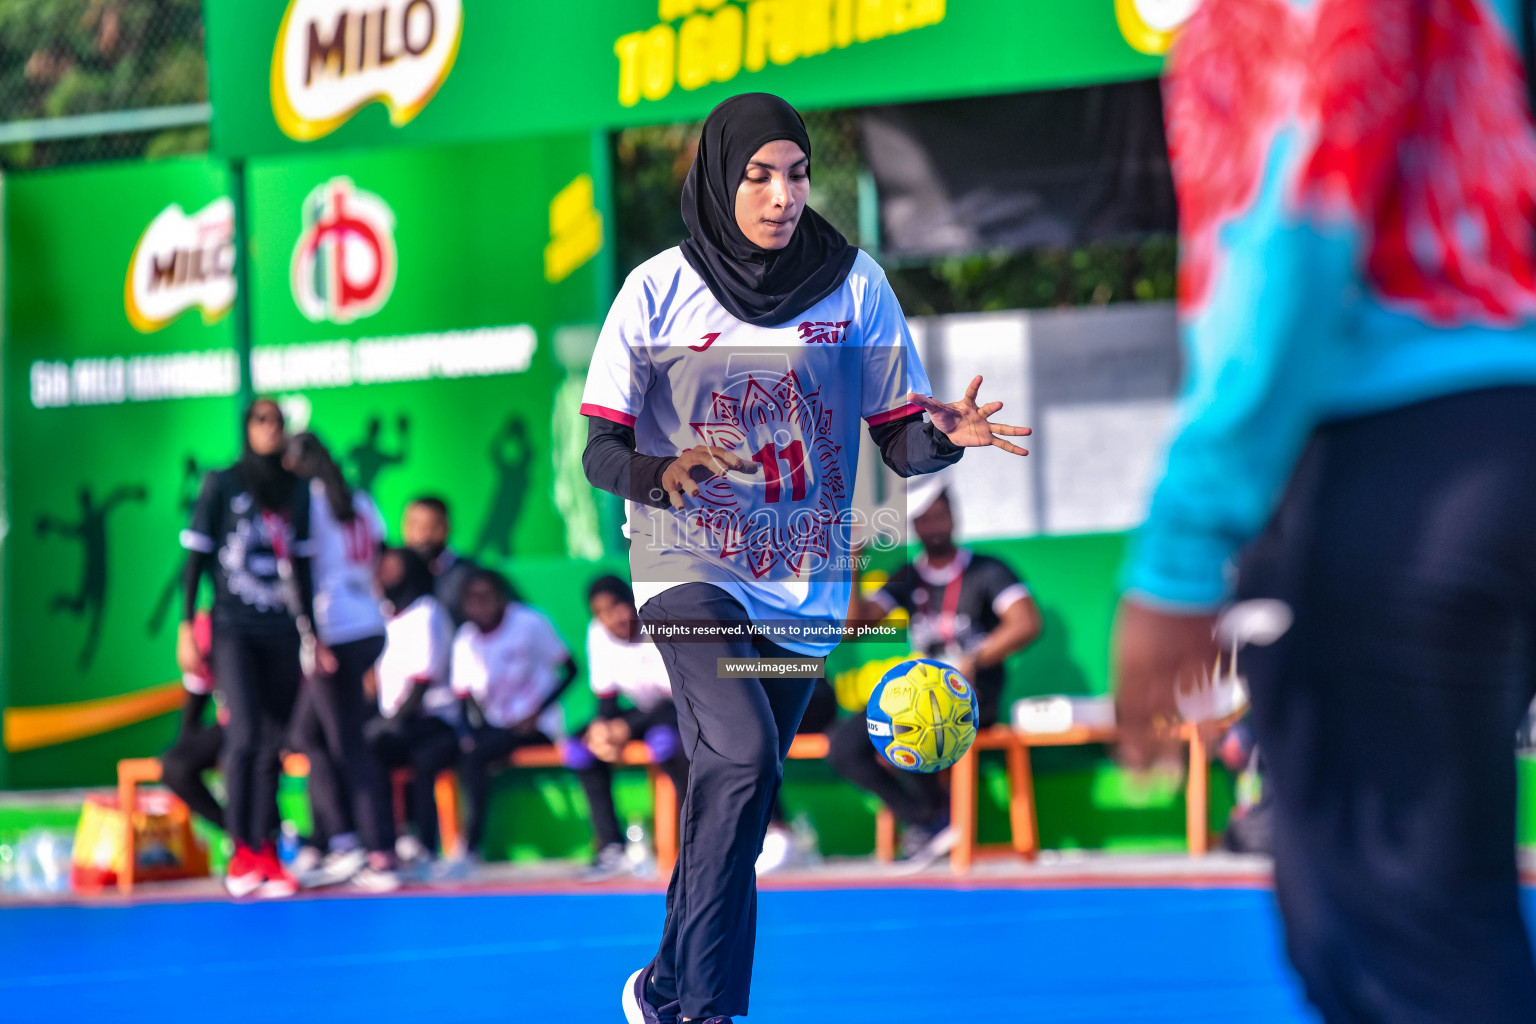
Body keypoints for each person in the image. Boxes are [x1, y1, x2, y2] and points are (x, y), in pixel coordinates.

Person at [1113, 3, 1536, 1021]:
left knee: (1392, 953)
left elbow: (1306, 216)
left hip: (1388, 461)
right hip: (1488, 431)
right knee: (1430, 919)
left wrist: (1182, 547)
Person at [581, 93, 1028, 1024]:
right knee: (739, 759)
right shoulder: (656, 290)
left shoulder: (854, 284)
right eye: (759, 176)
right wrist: (665, 473)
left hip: (802, 590)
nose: (782, 195)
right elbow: (603, 451)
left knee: (737, 793)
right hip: (686, 566)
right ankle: (703, 1009)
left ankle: (663, 984)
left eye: (796, 174)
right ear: (719, 178)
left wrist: (947, 438)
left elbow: (900, 435)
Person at [832, 477, 1041, 867]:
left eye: (940, 516)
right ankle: (930, 819)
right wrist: (852, 560)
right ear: (915, 526)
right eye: (924, 520)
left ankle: (937, 821)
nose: (933, 526)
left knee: (919, 718)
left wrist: (975, 658)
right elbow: (850, 628)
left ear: (954, 517)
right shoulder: (907, 575)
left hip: (973, 697)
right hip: (919, 695)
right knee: (845, 746)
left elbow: (1026, 622)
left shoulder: (988, 570)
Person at [178, 398, 315, 899]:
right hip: (233, 629)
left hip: (280, 630)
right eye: (260, 420)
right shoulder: (222, 482)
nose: (270, 429)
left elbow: (303, 566)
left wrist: (311, 633)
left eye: (277, 421)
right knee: (244, 735)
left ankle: (268, 850)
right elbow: (194, 559)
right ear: (246, 428)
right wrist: (186, 627)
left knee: (273, 743)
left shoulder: (297, 489)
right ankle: (242, 850)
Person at [283, 432, 397, 892]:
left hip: (332, 628)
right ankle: (337, 837)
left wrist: (312, 636)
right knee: (308, 734)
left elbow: (302, 572)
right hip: (367, 621)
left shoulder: (307, 501)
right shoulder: (360, 499)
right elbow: (382, 556)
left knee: (346, 742)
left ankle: (377, 849)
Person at [563, 575, 690, 881]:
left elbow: (674, 698)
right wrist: (603, 730)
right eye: (602, 612)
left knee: (666, 743)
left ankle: (692, 842)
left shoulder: (659, 624)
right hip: (642, 713)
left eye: (618, 606)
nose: (613, 618)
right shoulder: (597, 634)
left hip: (681, 709)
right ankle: (611, 846)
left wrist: (622, 726)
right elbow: (606, 699)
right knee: (579, 748)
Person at [450, 568, 577, 868]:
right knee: (465, 752)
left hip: (539, 725)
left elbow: (571, 670)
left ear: (502, 598)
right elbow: (463, 700)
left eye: (487, 597)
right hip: (496, 729)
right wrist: (468, 736)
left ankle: (469, 848)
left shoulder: (530, 623)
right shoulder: (465, 641)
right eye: (472, 599)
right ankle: (453, 844)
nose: (480, 605)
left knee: (477, 756)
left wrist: (537, 713)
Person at [366, 546, 461, 869]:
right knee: (364, 752)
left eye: (393, 567)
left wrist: (387, 724)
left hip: (437, 720)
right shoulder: (380, 616)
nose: (384, 574)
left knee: (421, 757)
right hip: (396, 720)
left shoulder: (428, 613)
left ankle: (425, 845)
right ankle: (384, 841)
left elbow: (421, 685)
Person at [159, 611, 225, 831]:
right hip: (233, 728)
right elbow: (190, 723)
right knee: (175, 764)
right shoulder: (206, 629)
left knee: (245, 757)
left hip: (277, 725)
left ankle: (271, 834)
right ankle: (237, 832)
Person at [403, 495, 477, 626]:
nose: (422, 534)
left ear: (447, 527)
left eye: (431, 525)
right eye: (414, 524)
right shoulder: (393, 573)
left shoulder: (468, 574)